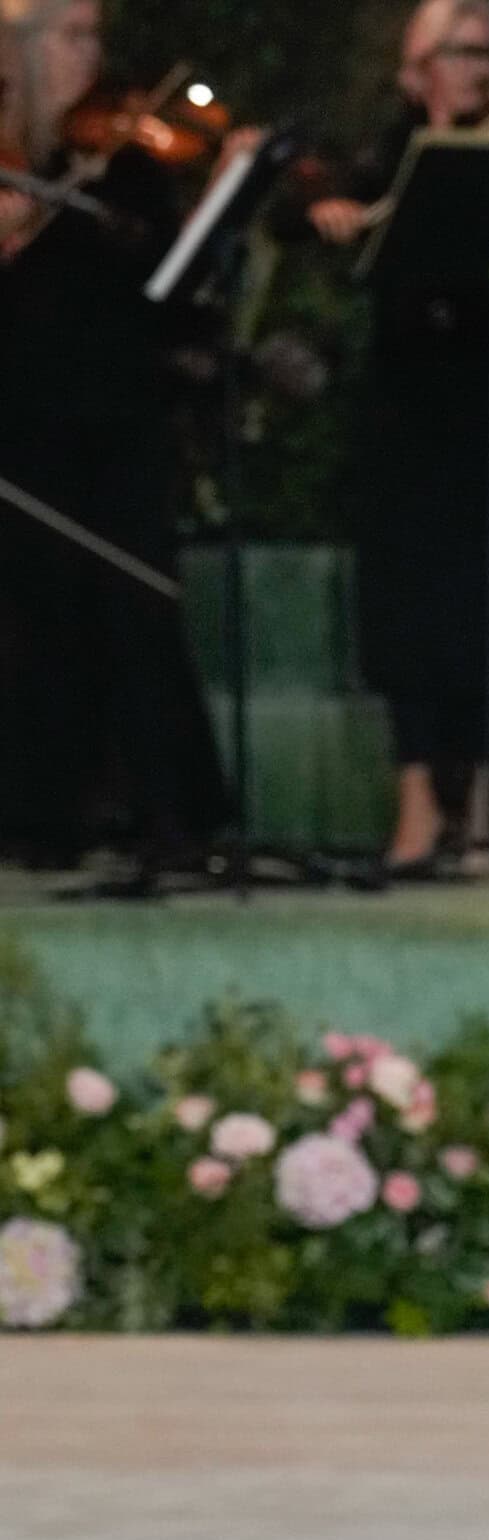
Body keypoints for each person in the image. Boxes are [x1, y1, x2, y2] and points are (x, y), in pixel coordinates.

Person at [305, 0, 489, 883]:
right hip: (407, 406)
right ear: (416, 70)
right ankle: (416, 798)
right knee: (409, 599)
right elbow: (324, 210)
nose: (475, 68)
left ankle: (483, 803)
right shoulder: (388, 150)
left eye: (485, 50)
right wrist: (337, 212)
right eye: (454, 52)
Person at [0, 0, 230, 892]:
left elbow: (165, 283)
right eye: (72, 35)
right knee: (38, 615)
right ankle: (45, 815)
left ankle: (166, 812)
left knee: (139, 605)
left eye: (95, 35)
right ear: (23, 46)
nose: (90, 55)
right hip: (25, 417)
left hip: (119, 412)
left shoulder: (126, 165)